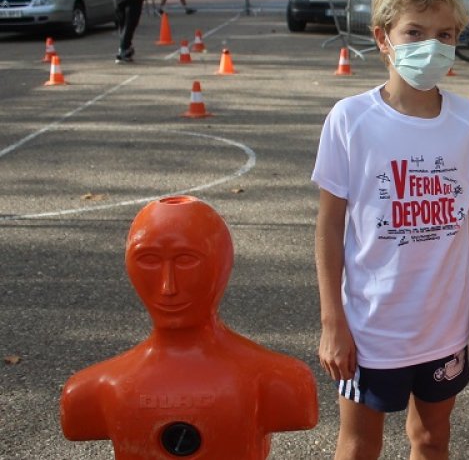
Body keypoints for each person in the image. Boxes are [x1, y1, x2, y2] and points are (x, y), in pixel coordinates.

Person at [313, 0, 469, 460]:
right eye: (414, 33)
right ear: (383, 38)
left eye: (444, 34)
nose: (431, 45)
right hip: (370, 328)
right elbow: (330, 225)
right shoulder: (350, 120)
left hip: (443, 327)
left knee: (431, 439)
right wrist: (332, 320)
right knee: (359, 445)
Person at [60, 196, 318, 458]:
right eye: (148, 260)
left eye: (186, 260)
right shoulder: (94, 390)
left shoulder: (276, 381)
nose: (167, 287)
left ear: (222, 264)